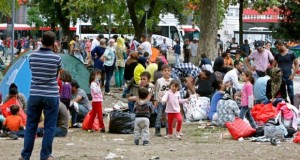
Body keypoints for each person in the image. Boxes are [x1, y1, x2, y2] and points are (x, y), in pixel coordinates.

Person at [20, 31, 62, 160]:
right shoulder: (57, 58)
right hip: (51, 94)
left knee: (31, 126)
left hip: (35, 93)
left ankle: (25, 155)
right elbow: (57, 75)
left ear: (41, 40)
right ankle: (45, 155)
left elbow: (34, 71)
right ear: (54, 43)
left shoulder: (33, 56)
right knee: (49, 127)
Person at [273, 40, 299, 105]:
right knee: (282, 95)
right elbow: (273, 65)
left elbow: (297, 64)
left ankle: (293, 108)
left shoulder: (291, 53)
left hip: (289, 77)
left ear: (281, 45)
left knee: (291, 94)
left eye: (277, 47)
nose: (277, 49)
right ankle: (285, 109)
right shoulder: (277, 54)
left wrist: (293, 75)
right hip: (280, 78)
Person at [154, 64, 172, 136]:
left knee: (168, 116)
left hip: (169, 102)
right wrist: (155, 100)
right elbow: (156, 91)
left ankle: (168, 130)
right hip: (160, 101)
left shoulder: (172, 81)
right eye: (165, 71)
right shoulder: (159, 81)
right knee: (159, 115)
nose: (167, 72)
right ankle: (157, 129)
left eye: (168, 71)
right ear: (162, 72)